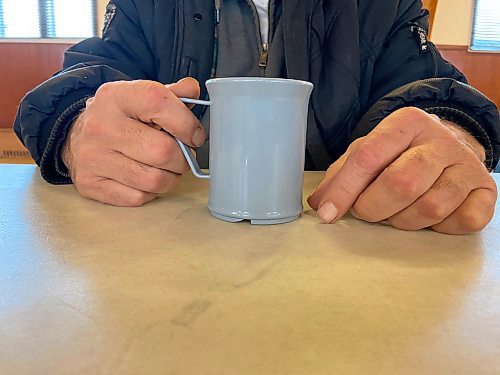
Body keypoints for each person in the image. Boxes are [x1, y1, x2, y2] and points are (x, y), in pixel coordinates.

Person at [14, 0, 499, 234]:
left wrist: (452, 132)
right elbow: (88, 81)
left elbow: (432, 92)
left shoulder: (381, 5)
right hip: (164, 247)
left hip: (330, 250)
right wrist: (76, 127)